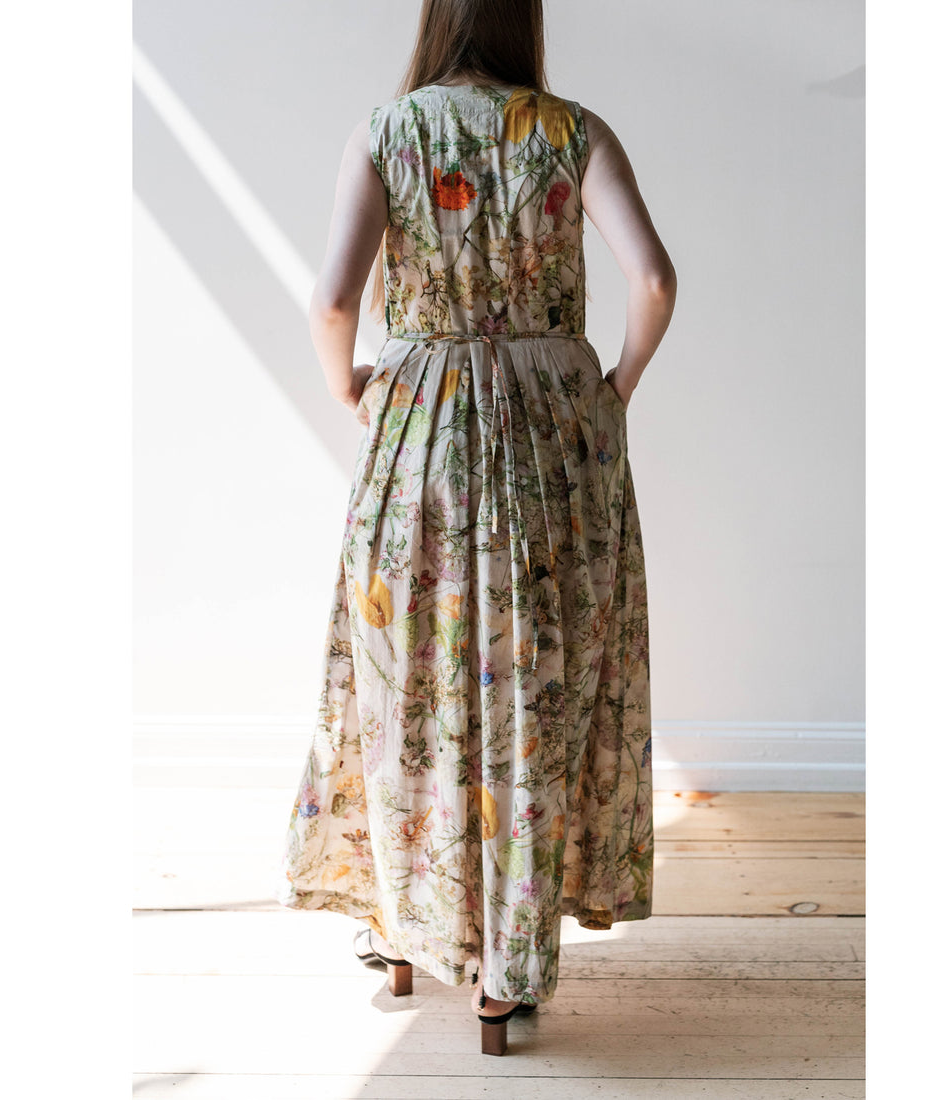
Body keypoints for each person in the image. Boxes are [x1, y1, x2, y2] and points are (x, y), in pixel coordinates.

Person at [276, 0, 676, 1057]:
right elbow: (653, 279)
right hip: (556, 427)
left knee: (408, 677)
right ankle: (504, 972)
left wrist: (350, 388)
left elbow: (332, 302)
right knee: (534, 684)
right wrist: (616, 387)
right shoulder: (571, 130)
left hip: (423, 421)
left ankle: (400, 931)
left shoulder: (387, 131)